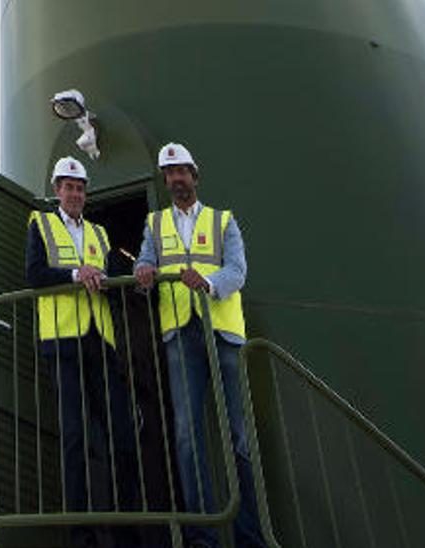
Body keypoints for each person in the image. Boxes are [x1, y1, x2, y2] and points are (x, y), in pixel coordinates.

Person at [133, 143, 266, 548]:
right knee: (188, 437)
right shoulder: (154, 224)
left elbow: (237, 271)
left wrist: (208, 284)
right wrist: (142, 271)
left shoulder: (223, 221)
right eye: (170, 174)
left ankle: (249, 534)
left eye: (182, 172)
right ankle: (202, 537)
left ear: (195, 175)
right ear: (165, 179)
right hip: (179, 333)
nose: (176, 180)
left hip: (222, 333)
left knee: (238, 437)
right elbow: (144, 261)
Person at [27, 156, 140, 547]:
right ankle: (82, 537)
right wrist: (77, 275)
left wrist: (128, 276)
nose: (74, 193)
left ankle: (129, 535)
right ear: (57, 190)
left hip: (100, 341)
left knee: (122, 435)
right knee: (74, 438)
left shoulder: (101, 234)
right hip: (61, 340)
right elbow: (35, 275)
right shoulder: (40, 224)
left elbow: (113, 273)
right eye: (68, 187)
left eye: (80, 187)